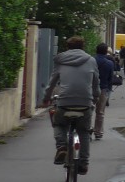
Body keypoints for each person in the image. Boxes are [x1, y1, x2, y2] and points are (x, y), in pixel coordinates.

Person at [42, 36, 101, 174]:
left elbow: (52, 82)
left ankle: (62, 147)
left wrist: (46, 98)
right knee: (84, 132)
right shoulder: (91, 60)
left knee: (59, 124)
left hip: (64, 102)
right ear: (83, 47)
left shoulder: (60, 60)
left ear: (67, 47)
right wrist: (95, 97)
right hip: (85, 102)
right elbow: (96, 82)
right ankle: (84, 164)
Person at [93, 42, 115, 140]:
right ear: (106, 52)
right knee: (100, 112)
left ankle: (86, 130)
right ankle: (98, 132)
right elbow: (110, 78)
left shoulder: (91, 61)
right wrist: (108, 89)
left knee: (87, 110)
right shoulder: (109, 63)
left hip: (89, 88)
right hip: (103, 88)